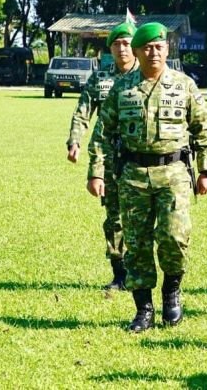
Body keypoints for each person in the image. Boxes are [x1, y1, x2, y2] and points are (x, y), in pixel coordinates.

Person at [87, 22, 207, 332]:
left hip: (174, 174)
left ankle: (172, 293)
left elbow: (203, 130)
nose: (154, 52)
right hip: (132, 176)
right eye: (147, 47)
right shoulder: (123, 87)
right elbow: (102, 134)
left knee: (174, 237)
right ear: (138, 51)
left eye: (159, 46)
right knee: (137, 245)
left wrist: (205, 170)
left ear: (167, 49)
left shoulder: (184, 85)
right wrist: (96, 172)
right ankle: (143, 309)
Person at [67, 21, 138, 291]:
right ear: (110, 48)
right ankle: (119, 274)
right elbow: (83, 111)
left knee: (140, 216)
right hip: (108, 156)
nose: (122, 48)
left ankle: (140, 270)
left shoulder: (144, 75)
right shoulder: (100, 78)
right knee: (115, 218)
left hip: (139, 156)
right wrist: (75, 141)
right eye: (117, 44)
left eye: (127, 43)